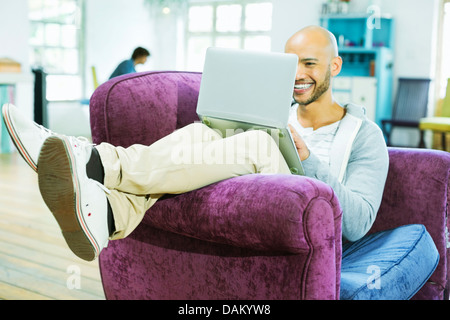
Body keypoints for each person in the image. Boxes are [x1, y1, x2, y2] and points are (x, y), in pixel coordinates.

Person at [1, 26, 388, 262]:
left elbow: (358, 220)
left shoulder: (364, 134)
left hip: (307, 201)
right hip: (252, 184)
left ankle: (97, 162)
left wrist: (308, 157)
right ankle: (109, 212)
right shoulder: (276, 110)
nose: (298, 75)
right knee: (207, 131)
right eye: (291, 65)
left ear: (334, 67)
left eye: (309, 64)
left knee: (257, 142)